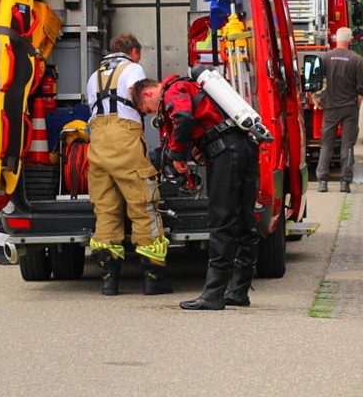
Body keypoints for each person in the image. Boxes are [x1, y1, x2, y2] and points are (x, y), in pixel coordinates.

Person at [131, 75, 260, 311]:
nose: (153, 114)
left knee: (221, 220)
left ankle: (213, 295)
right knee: (244, 220)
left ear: (148, 94)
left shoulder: (174, 89)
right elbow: (204, 123)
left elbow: (183, 117)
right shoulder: (190, 87)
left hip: (228, 154)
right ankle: (239, 292)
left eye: (147, 110)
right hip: (243, 147)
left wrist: (177, 153)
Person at [85, 34, 171, 296]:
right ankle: (152, 278)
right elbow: (141, 98)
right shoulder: (132, 68)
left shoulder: (94, 75)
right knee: (144, 204)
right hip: (125, 139)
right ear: (134, 51)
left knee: (106, 208)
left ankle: (109, 280)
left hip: (97, 142)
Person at [315, 27, 363, 193]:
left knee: (326, 145)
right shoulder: (356, 59)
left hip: (330, 108)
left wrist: (315, 98)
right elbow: (360, 88)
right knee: (347, 146)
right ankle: (345, 182)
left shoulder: (325, 57)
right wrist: (356, 107)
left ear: (335, 39)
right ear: (350, 40)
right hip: (349, 108)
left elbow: (317, 82)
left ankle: (322, 182)